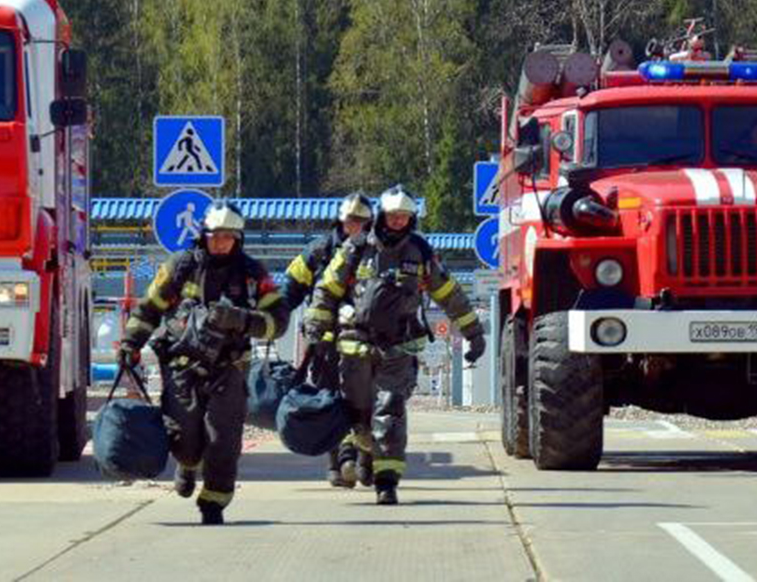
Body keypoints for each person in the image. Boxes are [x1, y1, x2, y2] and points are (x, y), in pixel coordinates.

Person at [305, 185, 485, 505]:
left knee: (390, 411)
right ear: (382, 216)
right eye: (394, 215)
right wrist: (315, 332)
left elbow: (448, 293)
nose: (399, 221)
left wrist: (473, 332)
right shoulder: (357, 246)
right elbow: (327, 288)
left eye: (405, 216)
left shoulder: (420, 252)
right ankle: (362, 451)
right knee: (357, 412)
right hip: (354, 343)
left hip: (399, 345)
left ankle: (386, 482)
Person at [118, 199, 289, 526]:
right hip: (182, 368)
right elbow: (148, 309)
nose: (220, 242)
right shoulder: (180, 267)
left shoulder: (253, 274)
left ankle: (214, 503)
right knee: (184, 441)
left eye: (228, 237)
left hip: (229, 368)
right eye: (215, 235)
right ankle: (187, 463)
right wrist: (129, 344)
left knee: (224, 441)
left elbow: (278, 321)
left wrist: (242, 319)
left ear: (238, 239)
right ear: (203, 235)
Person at [284, 192, 374, 488]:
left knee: (366, 401)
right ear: (341, 220)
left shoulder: (377, 250)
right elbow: (291, 287)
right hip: (325, 339)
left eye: (362, 220)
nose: (356, 225)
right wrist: (275, 316)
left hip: (366, 340)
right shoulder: (319, 250)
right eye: (352, 220)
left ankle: (365, 459)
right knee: (329, 398)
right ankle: (337, 461)